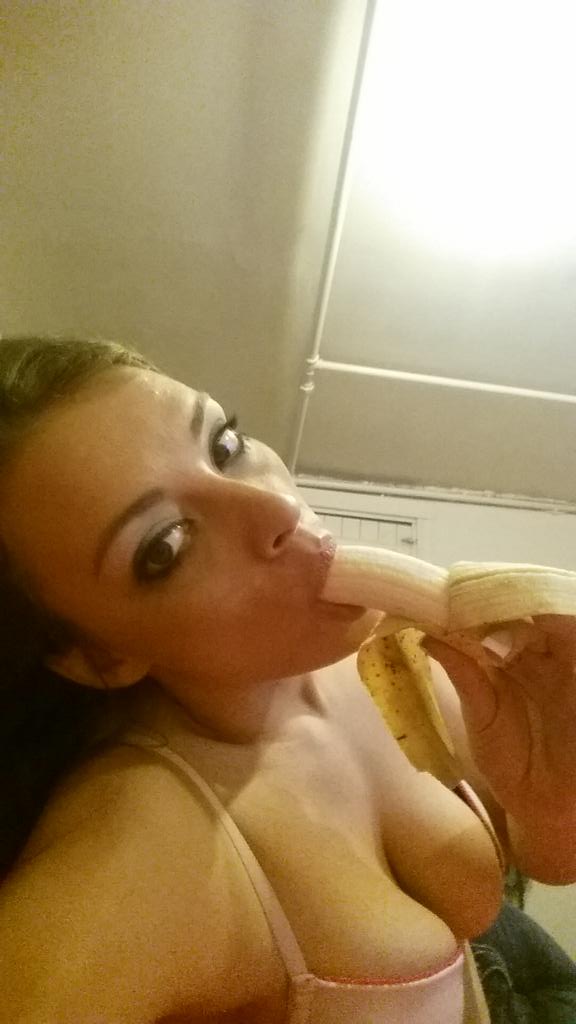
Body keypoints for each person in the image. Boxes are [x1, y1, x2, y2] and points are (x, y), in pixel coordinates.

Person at [0, 335, 574, 1024]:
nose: (272, 507)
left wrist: (552, 803)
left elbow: (547, 856)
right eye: (166, 546)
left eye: (224, 446)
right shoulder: (143, 846)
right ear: (97, 656)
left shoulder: (392, 661)